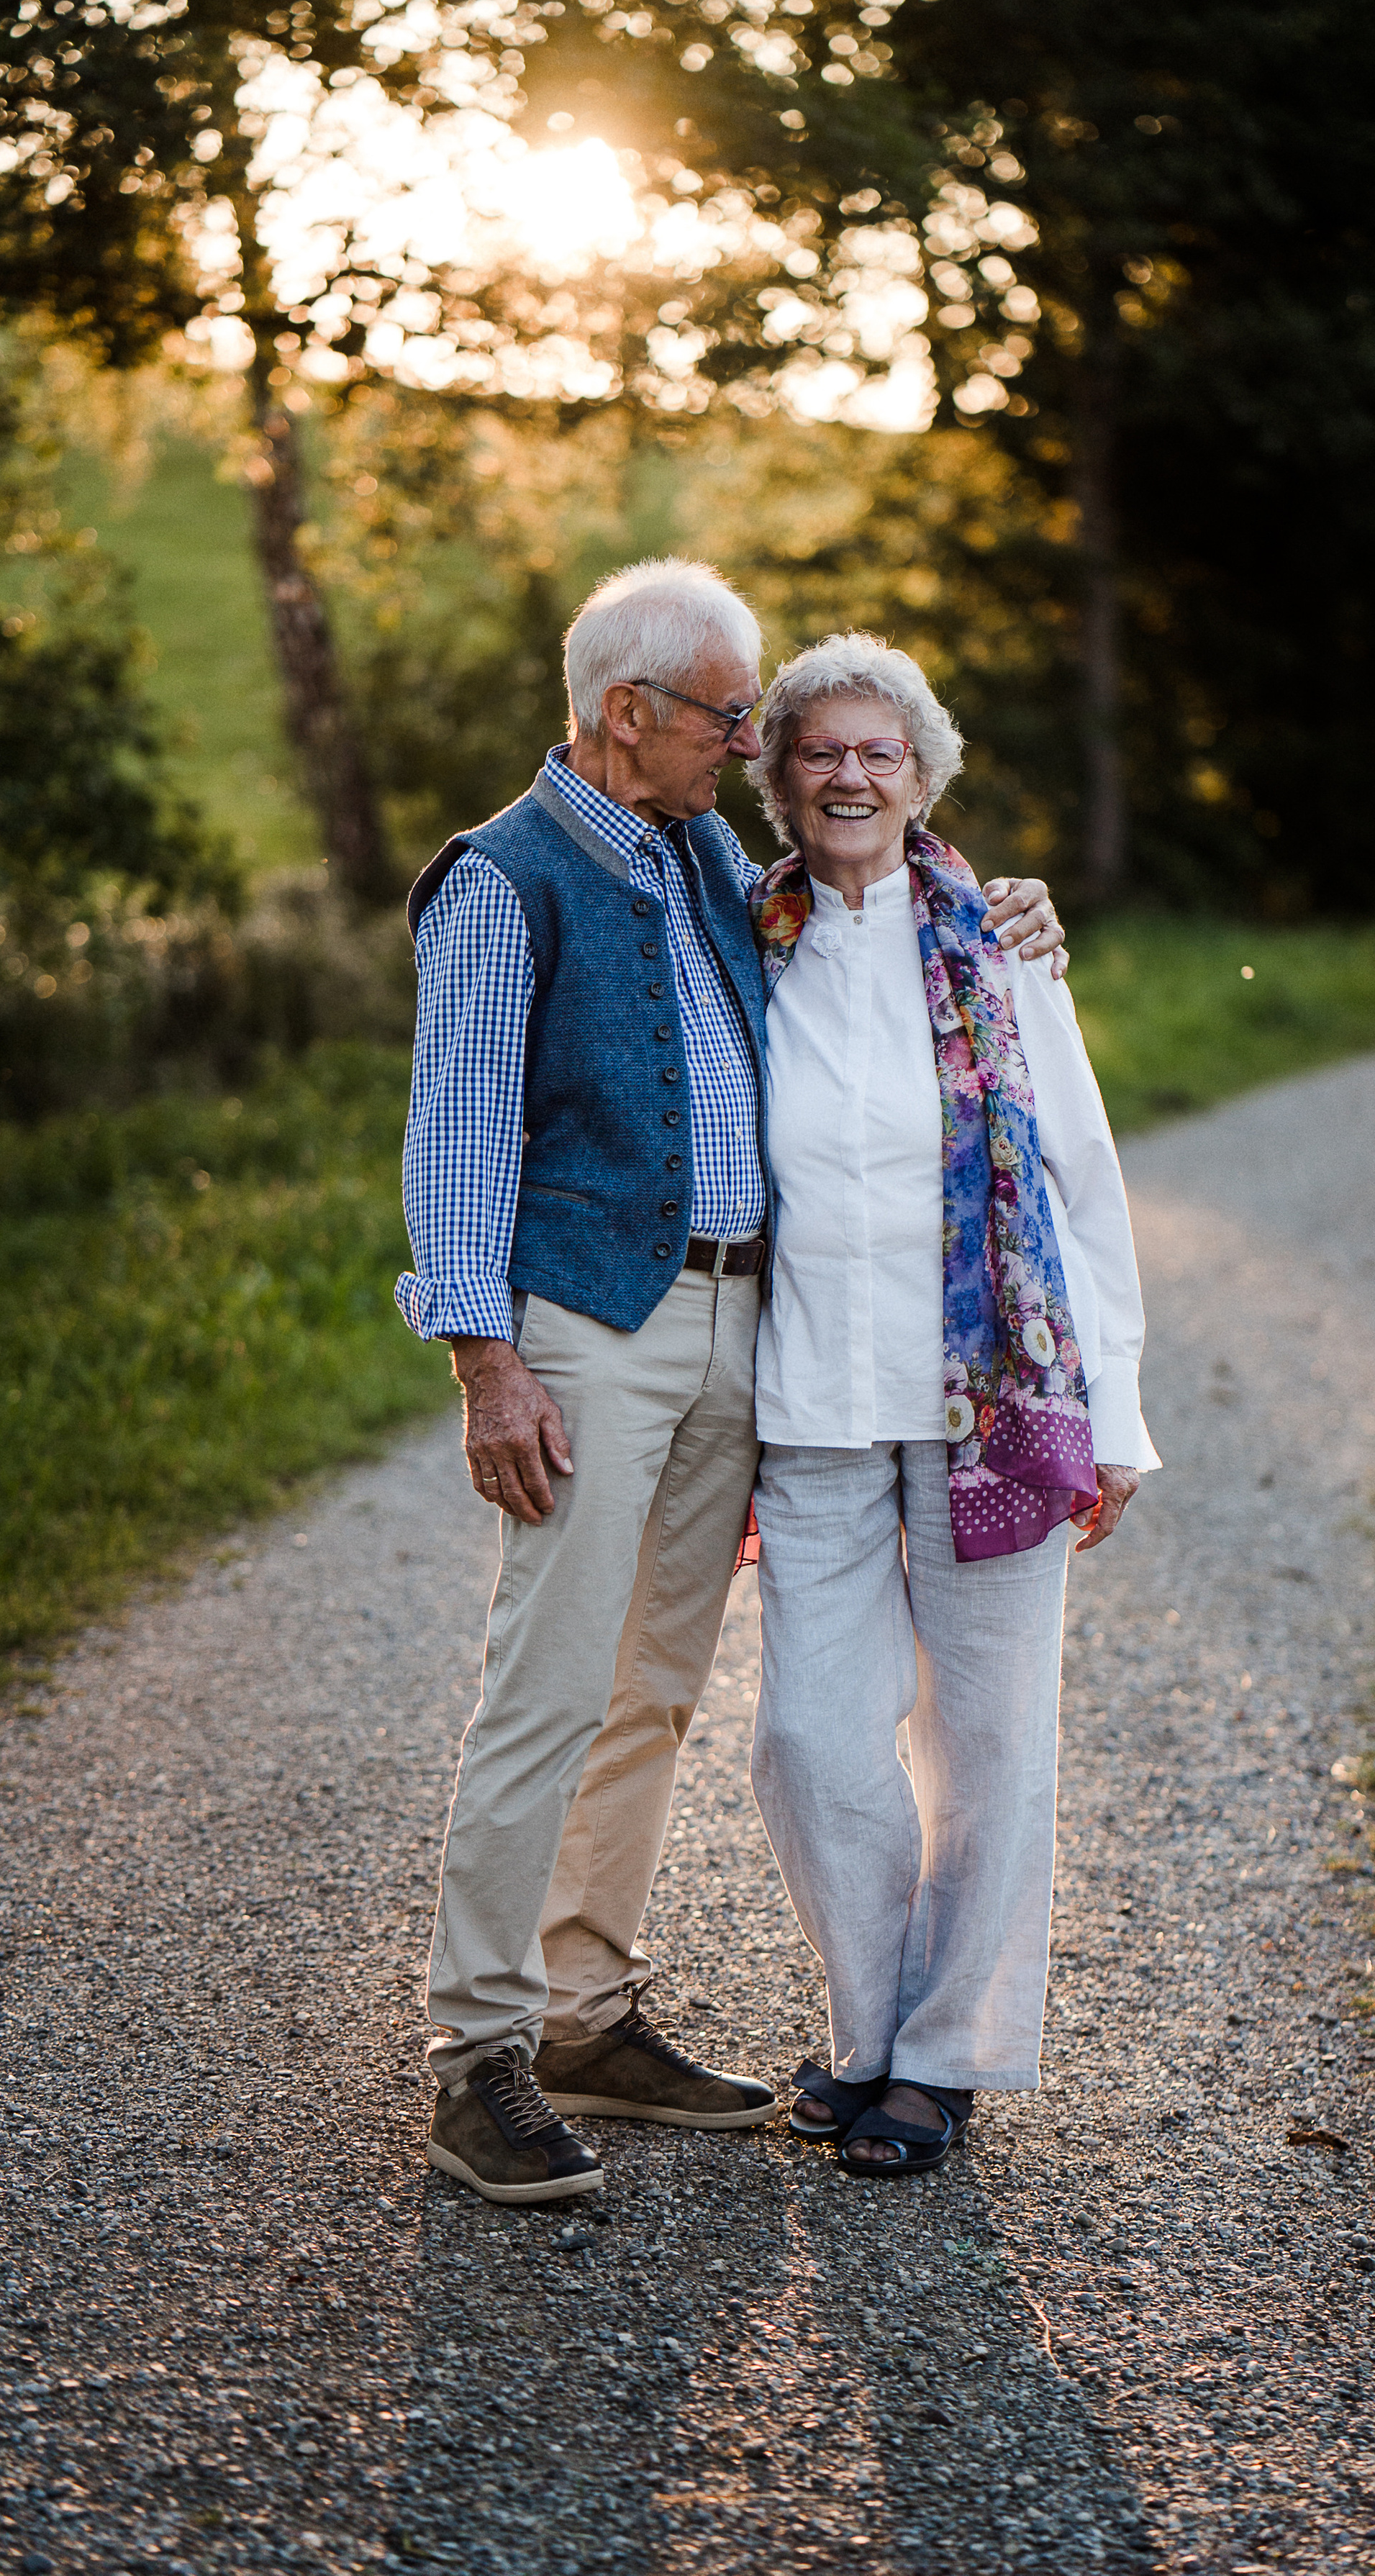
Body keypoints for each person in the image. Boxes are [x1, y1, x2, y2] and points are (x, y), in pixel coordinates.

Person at [396, 560, 1067, 2205]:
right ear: (627, 713)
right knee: (549, 1678)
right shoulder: (500, 879)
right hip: (590, 1326)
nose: (750, 740)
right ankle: (479, 2050)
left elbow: (877, 912)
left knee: (653, 1688)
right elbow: (457, 1134)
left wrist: (1008, 912)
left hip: (740, 1324)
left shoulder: (709, 856)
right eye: (728, 712)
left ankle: (582, 2009)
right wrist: (485, 1360)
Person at [742, 634, 1161, 2177]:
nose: (849, 776)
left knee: (988, 1740)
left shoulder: (1000, 945)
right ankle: (866, 2026)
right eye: (818, 751)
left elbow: (1080, 1181)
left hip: (993, 1402)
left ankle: (941, 2058)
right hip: (809, 1397)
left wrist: (1116, 1412)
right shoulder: (745, 943)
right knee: (808, 1737)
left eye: (879, 752)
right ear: (778, 780)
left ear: (920, 778)